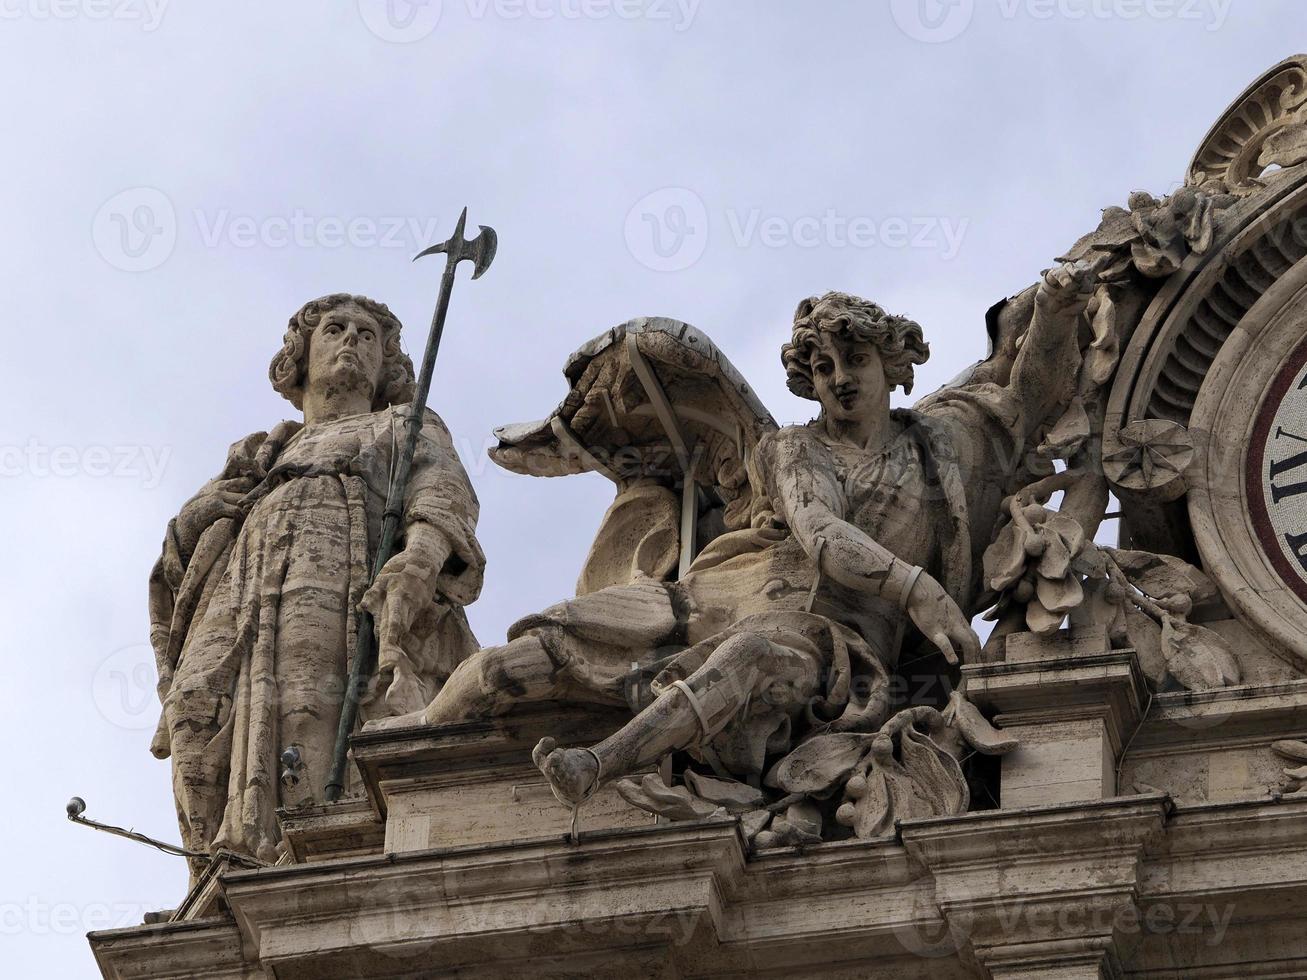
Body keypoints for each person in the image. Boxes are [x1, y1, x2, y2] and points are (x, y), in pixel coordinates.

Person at [374, 263, 1093, 807]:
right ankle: (399, 749)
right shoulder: (793, 451)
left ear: (892, 362)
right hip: (713, 597)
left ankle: (596, 764)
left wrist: (1058, 307)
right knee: (527, 653)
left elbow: (1028, 396)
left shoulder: (945, 439)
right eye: (820, 367)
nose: (838, 378)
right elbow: (820, 532)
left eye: (854, 360)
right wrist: (918, 588)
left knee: (753, 654)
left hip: (829, 642)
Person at [148, 293, 484, 871]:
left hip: (339, 565)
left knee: (309, 699)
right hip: (245, 576)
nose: (351, 339)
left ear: (387, 365)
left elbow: (444, 492)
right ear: (300, 357)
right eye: (334, 329)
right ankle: (212, 866)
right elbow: (179, 553)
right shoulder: (262, 451)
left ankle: (318, 849)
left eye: (366, 334)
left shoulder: (404, 422)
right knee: (193, 707)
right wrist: (202, 514)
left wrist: (421, 558)